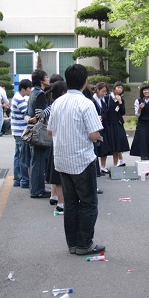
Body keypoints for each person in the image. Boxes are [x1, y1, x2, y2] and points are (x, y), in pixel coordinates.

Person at [48, 64, 104, 256]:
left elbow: (50, 131)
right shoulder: (86, 103)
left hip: (62, 161)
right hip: (81, 161)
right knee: (88, 203)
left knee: (71, 203)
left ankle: (72, 244)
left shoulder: (57, 102)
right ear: (85, 81)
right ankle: (84, 244)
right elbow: (94, 135)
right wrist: (96, 135)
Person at [27, 70, 51, 198]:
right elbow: (39, 115)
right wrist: (52, 107)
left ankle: (36, 188)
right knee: (39, 161)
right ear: (41, 80)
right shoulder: (40, 93)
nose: (48, 79)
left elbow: (30, 114)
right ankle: (37, 190)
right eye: (46, 77)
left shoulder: (33, 92)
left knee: (35, 160)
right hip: (39, 131)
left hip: (32, 130)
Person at [46, 80, 67, 210]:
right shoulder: (64, 104)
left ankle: (56, 198)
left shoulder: (53, 104)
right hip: (64, 142)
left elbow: (49, 130)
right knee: (62, 174)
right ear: (64, 92)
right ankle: (62, 202)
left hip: (55, 141)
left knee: (56, 172)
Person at [11, 79, 32, 190]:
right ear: (23, 89)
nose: (30, 90)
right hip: (21, 131)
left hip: (16, 130)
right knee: (23, 157)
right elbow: (27, 114)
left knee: (18, 156)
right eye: (29, 88)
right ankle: (24, 180)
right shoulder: (20, 100)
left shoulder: (16, 97)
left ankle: (17, 179)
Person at [104, 81, 129, 167]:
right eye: (118, 87)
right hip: (109, 123)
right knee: (109, 144)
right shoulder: (107, 98)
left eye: (121, 88)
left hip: (118, 123)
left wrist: (120, 102)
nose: (119, 89)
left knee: (117, 144)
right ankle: (103, 165)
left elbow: (122, 112)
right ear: (114, 88)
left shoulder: (121, 99)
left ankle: (116, 164)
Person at [130, 83, 149, 161]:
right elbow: (137, 115)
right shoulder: (138, 101)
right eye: (144, 90)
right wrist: (140, 108)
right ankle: (143, 162)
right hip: (142, 124)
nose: (146, 91)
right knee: (143, 143)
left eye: (148, 90)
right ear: (142, 91)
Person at [92, 82, 112, 174]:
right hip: (95, 127)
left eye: (105, 91)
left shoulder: (104, 100)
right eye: (103, 91)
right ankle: (96, 167)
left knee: (105, 146)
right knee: (96, 147)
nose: (104, 93)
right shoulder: (92, 100)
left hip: (104, 126)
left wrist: (102, 117)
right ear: (97, 90)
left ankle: (103, 166)